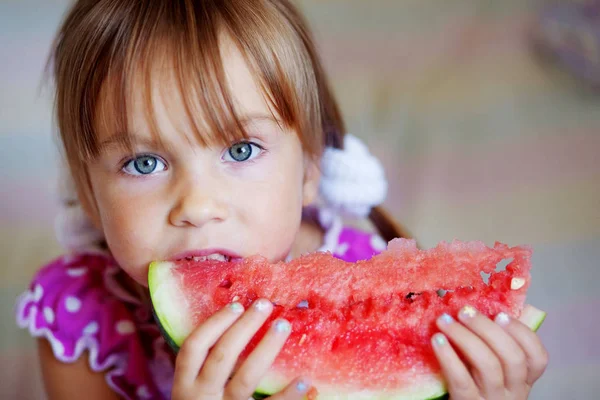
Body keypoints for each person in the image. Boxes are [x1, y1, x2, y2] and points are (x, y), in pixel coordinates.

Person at [15, 1, 548, 399]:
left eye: (242, 149)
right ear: (88, 192)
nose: (198, 206)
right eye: (143, 163)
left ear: (311, 168)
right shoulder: (79, 319)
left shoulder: (375, 277)